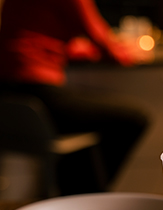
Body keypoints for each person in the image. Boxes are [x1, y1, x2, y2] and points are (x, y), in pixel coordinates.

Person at [0, 0, 150, 195]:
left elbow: (39, 39)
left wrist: (89, 51)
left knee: (86, 117)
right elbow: (100, 37)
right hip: (40, 93)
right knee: (135, 117)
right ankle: (90, 192)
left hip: (8, 93)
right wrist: (128, 53)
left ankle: (77, 189)